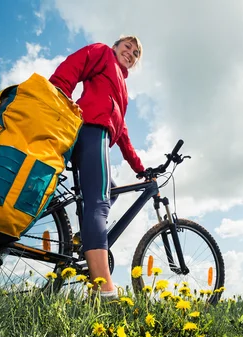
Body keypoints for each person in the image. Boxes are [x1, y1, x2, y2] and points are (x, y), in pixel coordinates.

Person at [49, 36, 145, 299]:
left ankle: (83, 240)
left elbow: (122, 130)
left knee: (110, 191)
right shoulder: (103, 53)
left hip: (100, 133)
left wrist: (140, 168)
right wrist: (58, 96)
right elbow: (76, 64)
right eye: (127, 47)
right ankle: (104, 291)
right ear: (115, 47)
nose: (131, 53)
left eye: (136, 53)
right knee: (99, 202)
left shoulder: (121, 87)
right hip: (92, 130)